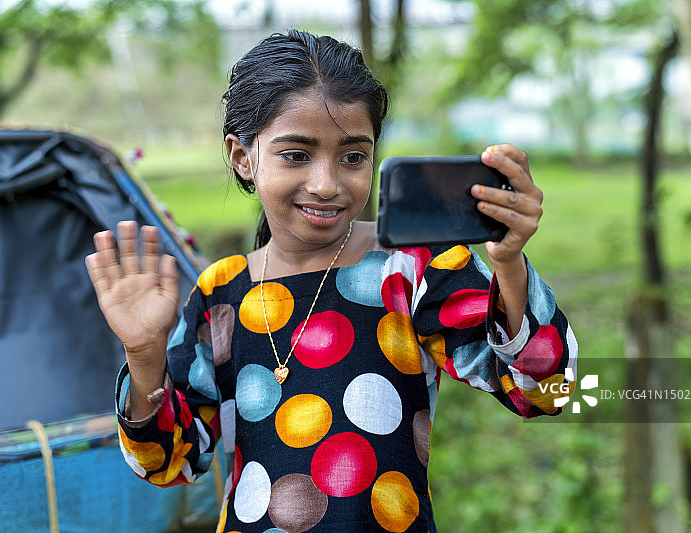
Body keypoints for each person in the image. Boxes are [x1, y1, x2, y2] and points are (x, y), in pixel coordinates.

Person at [85, 29, 576, 533]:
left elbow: (546, 392)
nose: (326, 184)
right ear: (242, 157)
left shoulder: (411, 268)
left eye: (353, 156)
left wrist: (509, 263)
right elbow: (169, 462)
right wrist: (144, 355)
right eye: (296, 154)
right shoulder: (220, 294)